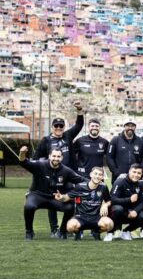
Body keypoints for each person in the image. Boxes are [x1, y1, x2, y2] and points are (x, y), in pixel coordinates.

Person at [34, 101, 84, 237]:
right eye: (56, 126)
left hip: (69, 176)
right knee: (52, 204)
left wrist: (79, 111)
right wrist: (44, 168)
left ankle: (67, 228)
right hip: (53, 177)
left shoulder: (68, 136)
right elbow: (36, 158)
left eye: (61, 126)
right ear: (52, 127)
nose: (58, 128)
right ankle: (54, 229)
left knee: (72, 201)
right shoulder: (46, 140)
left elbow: (79, 125)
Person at [19, 146, 86, 240]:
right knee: (29, 206)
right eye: (54, 156)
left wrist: (97, 181)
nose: (56, 158)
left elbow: (82, 181)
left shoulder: (66, 171)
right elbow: (23, 162)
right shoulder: (39, 165)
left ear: (62, 158)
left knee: (70, 206)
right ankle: (29, 232)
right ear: (49, 156)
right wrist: (22, 153)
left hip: (55, 198)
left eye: (58, 156)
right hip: (37, 195)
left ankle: (62, 231)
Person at [54, 167, 113, 240]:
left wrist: (105, 205)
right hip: (80, 217)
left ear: (102, 177)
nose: (97, 176)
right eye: (95, 174)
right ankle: (78, 232)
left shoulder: (103, 187)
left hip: (96, 218)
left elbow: (109, 201)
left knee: (109, 224)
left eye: (100, 175)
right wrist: (61, 197)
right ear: (91, 174)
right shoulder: (80, 186)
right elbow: (67, 197)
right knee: (70, 227)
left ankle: (96, 232)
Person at [105, 164, 143, 242]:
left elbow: (142, 202)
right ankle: (110, 232)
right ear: (129, 171)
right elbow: (113, 199)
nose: (136, 175)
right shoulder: (120, 181)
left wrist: (135, 211)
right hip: (120, 212)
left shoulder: (140, 184)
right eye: (134, 172)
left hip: (131, 212)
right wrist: (129, 200)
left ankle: (126, 231)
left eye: (139, 173)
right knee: (118, 209)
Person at [107, 119, 143, 184]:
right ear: (124, 126)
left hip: (135, 178)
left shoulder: (140, 141)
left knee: (134, 194)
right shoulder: (115, 140)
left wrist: (139, 172)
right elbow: (109, 157)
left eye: (132, 126)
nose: (130, 128)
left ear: (135, 127)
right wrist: (116, 172)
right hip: (119, 178)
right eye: (128, 125)